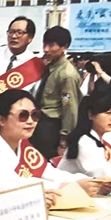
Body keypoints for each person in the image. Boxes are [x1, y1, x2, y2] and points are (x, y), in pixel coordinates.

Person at [0, 89, 108, 196]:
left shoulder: (23, 145)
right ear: (1, 120)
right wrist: (68, 187)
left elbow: (52, 174)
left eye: (35, 115)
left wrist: (93, 182)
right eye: (23, 115)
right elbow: (10, 184)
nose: (30, 121)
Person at [30, 26, 82, 159]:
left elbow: (70, 108)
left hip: (51, 127)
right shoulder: (49, 67)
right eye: (45, 44)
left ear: (64, 47)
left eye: (51, 45)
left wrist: (64, 139)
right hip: (38, 122)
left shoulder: (67, 74)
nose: (46, 49)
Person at [58, 92, 111, 177]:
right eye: (108, 113)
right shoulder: (85, 142)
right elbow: (101, 172)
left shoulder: (99, 138)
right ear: (90, 115)